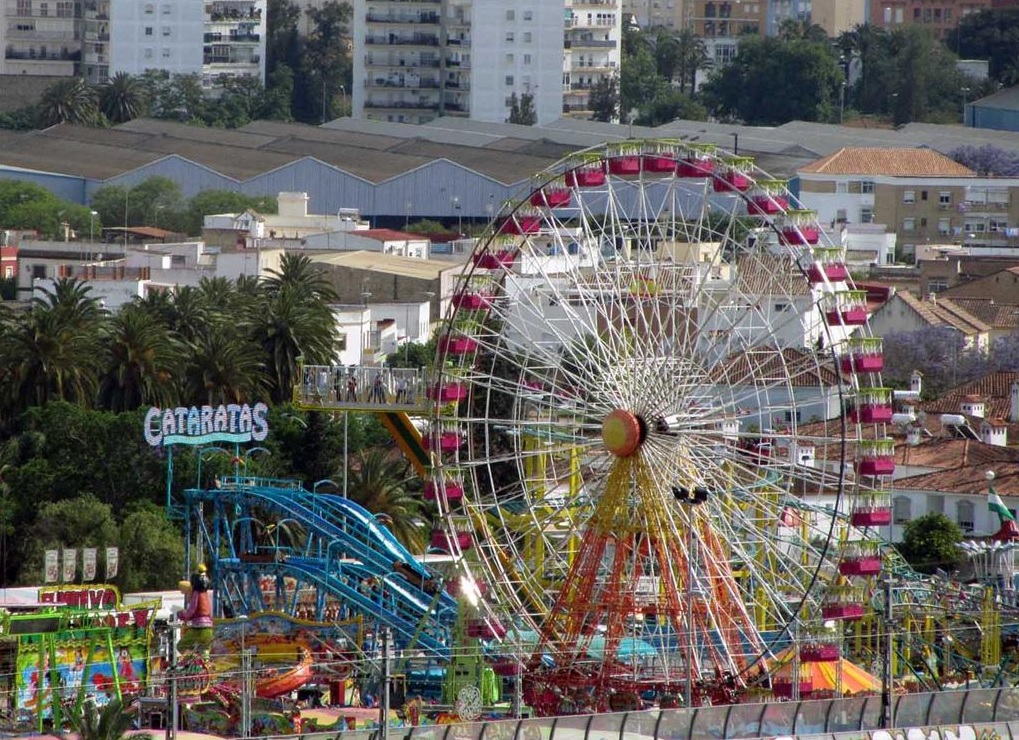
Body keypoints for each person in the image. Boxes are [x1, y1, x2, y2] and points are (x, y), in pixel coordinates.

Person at [177, 564, 214, 656]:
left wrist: (181, 615)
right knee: (205, 649)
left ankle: (193, 660)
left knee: (181, 646)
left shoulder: (196, 594)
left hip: (198, 628)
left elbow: (191, 611)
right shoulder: (205, 594)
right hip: (209, 628)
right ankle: (205, 665)